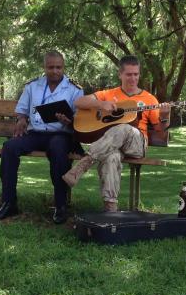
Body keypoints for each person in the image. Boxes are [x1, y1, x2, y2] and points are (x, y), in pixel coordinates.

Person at [62, 55, 167, 212]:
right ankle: (110, 209)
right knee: (112, 157)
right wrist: (100, 103)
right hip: (112, 145)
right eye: (129, 74)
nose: (133, 78)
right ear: (120, 74)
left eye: (136, 74)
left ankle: (83, 165)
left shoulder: (149, 99)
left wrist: (165, 116)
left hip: (137, 144)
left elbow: (160, 132)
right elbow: (79, 102)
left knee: (124, 127)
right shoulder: (109, 94)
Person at [0, 50, 84, 223]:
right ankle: (9, 203)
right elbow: (22, 111)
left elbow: (81, 120)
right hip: (35, 133)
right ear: (44, 67)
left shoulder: (74, 90)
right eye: (51, 67)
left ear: (63, 67)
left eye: (58, 67)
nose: (55, 71)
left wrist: (69, 121)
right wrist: (22, 119)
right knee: (9, 147)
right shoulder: (32, 86)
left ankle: (60, 205)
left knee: (57, 148)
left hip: (60, 135)